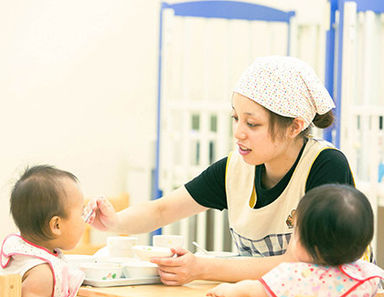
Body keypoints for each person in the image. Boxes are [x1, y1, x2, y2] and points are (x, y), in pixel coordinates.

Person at [90, 56, 357, 285]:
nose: (238, 133)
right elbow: (162, 210)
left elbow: (298, 263)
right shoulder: (235, 169)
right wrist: (116, 222)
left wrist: (202, 268)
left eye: (252, 124)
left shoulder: (325, 166)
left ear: (294, 127)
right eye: (236, 118)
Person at [206, 184, 384, 297]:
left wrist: (226, 291)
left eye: (295, 230)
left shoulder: (292, 275)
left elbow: (251, 290)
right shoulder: (368, 275)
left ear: (308, 245)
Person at [1, 165, 86, 297]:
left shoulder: (18, 249)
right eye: (81, 213)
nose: (85, 219)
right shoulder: (42, 274)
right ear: (56, 225)